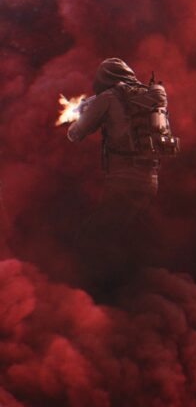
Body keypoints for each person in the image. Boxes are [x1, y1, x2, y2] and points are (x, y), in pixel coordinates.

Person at [67, 58, 178, 297]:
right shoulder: (151, 97)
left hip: (122, 179)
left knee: (91, 238)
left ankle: (97, 295)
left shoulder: (108, 98)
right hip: (150, 179)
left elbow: (75, 134)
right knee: (121, 236)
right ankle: (127, 295)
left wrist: (84, 114)